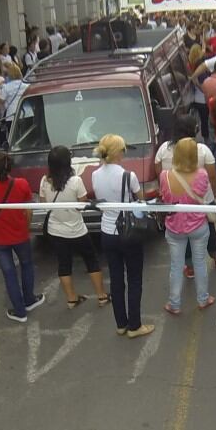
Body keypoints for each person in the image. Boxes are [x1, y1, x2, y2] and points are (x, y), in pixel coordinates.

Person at [92, 135, 155, 338]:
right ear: (119, 153)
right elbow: (140, 200)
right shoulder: (129, 176)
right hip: (128, 232)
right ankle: (135, 325)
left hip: (107, 231)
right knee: (134, 278)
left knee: (116, 279)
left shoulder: (95, 175)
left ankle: (121, 323)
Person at [156, 114, 216, 276]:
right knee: (209, 227)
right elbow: (212, 176)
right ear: (194, 130)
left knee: (183, 231)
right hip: (201, 198)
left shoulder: (164, 149)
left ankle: (190, 267)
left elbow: (158, 170)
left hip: (176, 199)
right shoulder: (202, 150)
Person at [40, 146, 109, 308]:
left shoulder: (44, 181)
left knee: (64, 265)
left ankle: (71, 299)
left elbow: (44, 206)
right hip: (77, 229)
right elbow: (81, 206)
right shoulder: (75, 181)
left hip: (55, 230)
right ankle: (101, 296)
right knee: (91, 260)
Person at [0, 151, 43, 322]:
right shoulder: (22, 184)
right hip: (20, 235)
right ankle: (30, 299)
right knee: (27, 265)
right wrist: (25, 227)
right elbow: (28, 211)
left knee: (9, 273)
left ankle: (19, 311)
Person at [160, 138, 216, 314]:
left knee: (176, 266)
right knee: (200, 262)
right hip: (198, 226)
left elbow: (164, 198)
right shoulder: (202, 175)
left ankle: (174, 303)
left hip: (174, 227)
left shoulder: (165, 176)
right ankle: (203, 298)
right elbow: (202, 194)